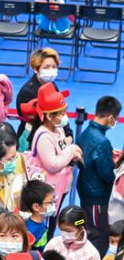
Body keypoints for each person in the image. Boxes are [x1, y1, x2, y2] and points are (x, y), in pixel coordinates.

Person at [27, 83, 83, 214]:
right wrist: (72, 149)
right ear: (49, 116)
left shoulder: (58, 128)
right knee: (48, 220)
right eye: (61, 114)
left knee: (53, 217)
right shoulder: (44, 137)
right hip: (48, 191)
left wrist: (71, 154)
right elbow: (53, 165)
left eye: (65, 112)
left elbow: (61, 150)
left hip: (60, 186)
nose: (65, 116)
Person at [77, 96, 121, 255]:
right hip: (97, 196)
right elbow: (107, 175)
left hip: (86, 189)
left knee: (90, 231)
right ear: (110, 117)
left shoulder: (85, 133)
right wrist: (116, 166)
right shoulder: (102, 142)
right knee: (99, 236)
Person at [17, 48, 62, 145]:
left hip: (51, 135)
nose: (51, 70)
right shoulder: (27, 92)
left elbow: (60, 112)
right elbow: (35, 123)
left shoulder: (52, 85)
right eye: (46, 67)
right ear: (35, 69)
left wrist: (68, 134)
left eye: (54, 67)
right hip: (31, 140)